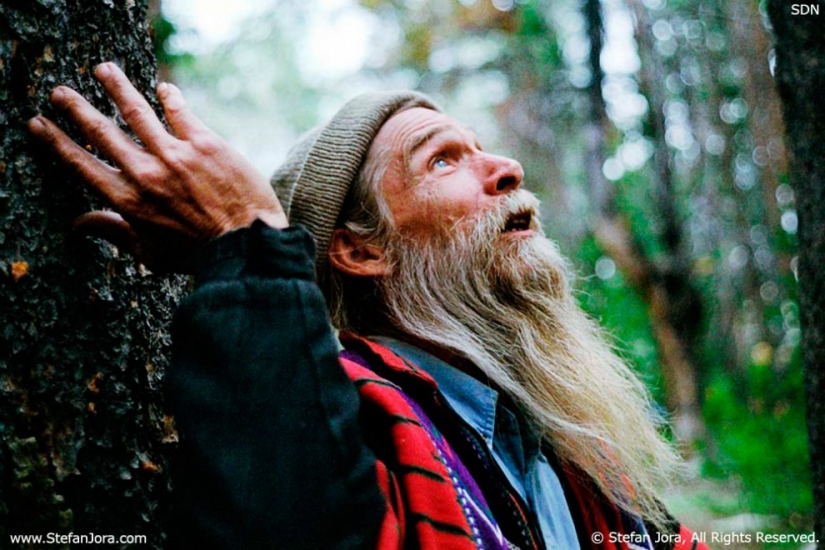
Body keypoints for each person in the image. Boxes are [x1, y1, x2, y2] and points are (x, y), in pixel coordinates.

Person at [29, 62, 708, 550]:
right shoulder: (353, 416)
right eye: (441, 160)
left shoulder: (563, 445)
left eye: (478, 147)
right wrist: (248, 246)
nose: (506, 168)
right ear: (360, 251)